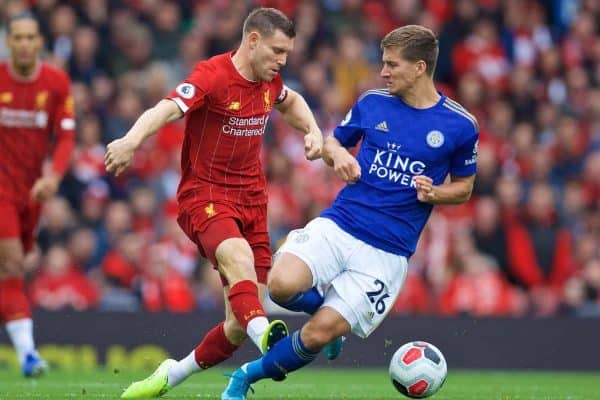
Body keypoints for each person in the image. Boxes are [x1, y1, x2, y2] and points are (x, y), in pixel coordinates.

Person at [221, 24, 479, 400]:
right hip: (341, 222)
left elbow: (465, 188)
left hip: (388, 252)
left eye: (392, 64)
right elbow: (330, 143)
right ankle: (328, 313)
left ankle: (243, 378)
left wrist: (437, 192)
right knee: (279, 285)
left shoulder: (460, 125)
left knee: (317, 333)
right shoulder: (372, 103)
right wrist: (339, 154)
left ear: (420, 67)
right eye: (383, 63)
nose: (384, 72)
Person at [107, 8, 323, 399]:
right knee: (237, 258)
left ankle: (171, 375)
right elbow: (167, 108)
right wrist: (131, 140)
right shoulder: (213, 75)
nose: (283, 61)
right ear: (252, 40)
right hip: (205, 195)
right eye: (277, 51)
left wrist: (314, 131)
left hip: (253, 202)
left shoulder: (270, 81)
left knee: (238, 324)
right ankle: (269, 340)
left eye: (287, 53)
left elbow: (293, 103)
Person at [0, 12, 76, 377]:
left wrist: (55, 175)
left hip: (33, 193)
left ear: (40, 42)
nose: (25, 44)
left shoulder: (56, 82)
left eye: (31, 37)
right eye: (19, 37)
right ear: (8, 42)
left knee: (14, 269)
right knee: (13, 263)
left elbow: (66, 135)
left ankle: (25, 348)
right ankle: (29, 355)